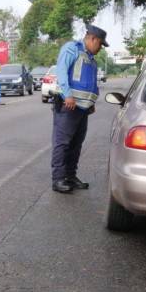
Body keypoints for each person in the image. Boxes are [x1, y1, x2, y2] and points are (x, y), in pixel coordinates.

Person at [51, 24, 108, 193]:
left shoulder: (90, 58)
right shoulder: (72, 49)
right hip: (68, 105)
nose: (100, 48)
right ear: (92, 39)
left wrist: (92, 103)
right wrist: (67, 95)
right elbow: (61, 71)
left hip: (83, 108)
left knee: (76, 145)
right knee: (62, 143)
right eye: (100, 44)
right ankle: (58, 179)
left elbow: (89, 83)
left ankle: (70, 176)